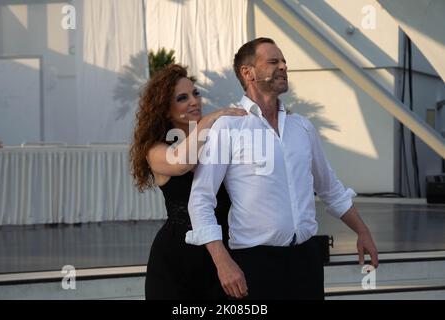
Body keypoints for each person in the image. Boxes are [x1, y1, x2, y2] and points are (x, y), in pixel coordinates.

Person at [186, 38, 379, 300]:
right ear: (248, 72)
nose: (283, 67)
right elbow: (200, 199)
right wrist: (223, 262)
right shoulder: (228, 127)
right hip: (255, 263)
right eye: (273, 61)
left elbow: (330, 189)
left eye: (284, 61)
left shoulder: (302, 127)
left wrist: (363, 230)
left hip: (307, 261)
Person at [129, 64, 247, 300]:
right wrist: (209, 119)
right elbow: (183, 162)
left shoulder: (216, 140)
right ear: (165, 109)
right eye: (182, 98)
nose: (194, 101)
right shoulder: (155, 149)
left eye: (196, 93)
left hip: (223, 252)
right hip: (177, 261)